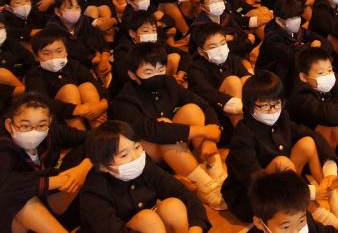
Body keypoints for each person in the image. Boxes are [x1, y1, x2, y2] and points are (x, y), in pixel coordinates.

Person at [222, 71, 338, 228]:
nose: (272, 111)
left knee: (307, 143)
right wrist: (308, 193)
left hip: (283, 183)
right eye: (265, 106)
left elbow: (309, 134)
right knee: (281, 162)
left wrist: (330, 168)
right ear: (249, 106)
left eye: (277, 103)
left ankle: (333, 199)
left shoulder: (282, 117)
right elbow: (254, 180)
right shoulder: (242, 136)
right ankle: (322, 215)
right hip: (252, 196)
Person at [110, 42, 227, 209]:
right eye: (148, 72)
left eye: (161, 70)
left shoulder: (169, 83)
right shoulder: (124, 100)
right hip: (146, 155)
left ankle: (217, 173)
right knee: (164, 126)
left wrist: (210, 138)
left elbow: (204, 106)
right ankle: (207, 188)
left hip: (176, 146)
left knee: (192, 110)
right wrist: (203, 131)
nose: (157, 76)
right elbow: (153, 131)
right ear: (132, 75)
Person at [81, 120, 210, 233]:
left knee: (173, 207)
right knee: (148, 220)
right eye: (124, 155)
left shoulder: (145, 166)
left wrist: (196, 229)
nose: (136, 157)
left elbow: (186, 195)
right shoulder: (93, 193)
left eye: (137, 147)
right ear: (103, 166)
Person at [0, 93, 91, 233]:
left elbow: (95, 138)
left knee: (85, 152)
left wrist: (83, 168)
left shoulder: (52, 131)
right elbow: (5, 186)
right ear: (9, 124)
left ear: (50, 121)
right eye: (25, 126)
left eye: (41, 125)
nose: (34, 132)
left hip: (45, 199)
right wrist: (55, 181)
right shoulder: (4, 146)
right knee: (20, 196)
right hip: (12, 212)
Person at [24, 29, 108, 130]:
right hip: (57, 120)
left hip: (87, 113)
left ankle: (101, 133)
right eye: (46, 53)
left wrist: (102, 105)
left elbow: (98, 86)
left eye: (59, 51)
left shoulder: (74, 66)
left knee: (87, 86)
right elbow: (39, 101)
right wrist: (77, 109)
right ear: (37, 56)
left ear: (66, 51)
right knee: (69, 90)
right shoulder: (34, 74)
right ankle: (80, 135)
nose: (54, 57)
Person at [247, 170, 338, 233]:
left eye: (301, 221)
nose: (297, 231)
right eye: (286, 227)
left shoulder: (307, 222)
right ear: (259, 223)